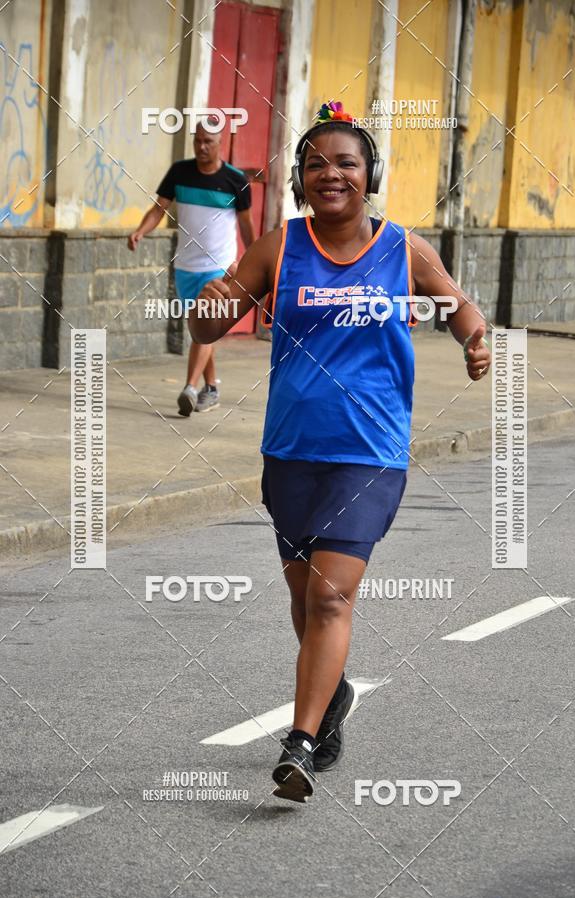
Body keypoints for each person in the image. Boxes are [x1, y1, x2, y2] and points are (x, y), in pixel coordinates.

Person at [189, 101, 491, 803]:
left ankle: (297, 741)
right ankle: (334, 693)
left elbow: (456, 303)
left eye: (346, 162)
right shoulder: (279, 247)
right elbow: (215, 314)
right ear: (299, 178)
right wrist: (206, 304)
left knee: (330, 596)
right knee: (305, 600)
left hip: (371, 453)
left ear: (369, 175)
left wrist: (474, 338)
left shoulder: (402, 249)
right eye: (315, 163)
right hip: (291, 450)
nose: (330, 173)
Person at [128, 121, 256, 415]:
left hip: (220, 268)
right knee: (202, 330)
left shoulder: (236, 180)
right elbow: (159, 208)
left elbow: (247, 226)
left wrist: (252, 261)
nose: (202, 147)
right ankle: (211, 389)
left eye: (208, 141)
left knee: (205, 329)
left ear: (220, 142)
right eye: (197, 141)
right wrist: (141, 231)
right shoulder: (179, 172)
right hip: (185, 267)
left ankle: (189, 387)